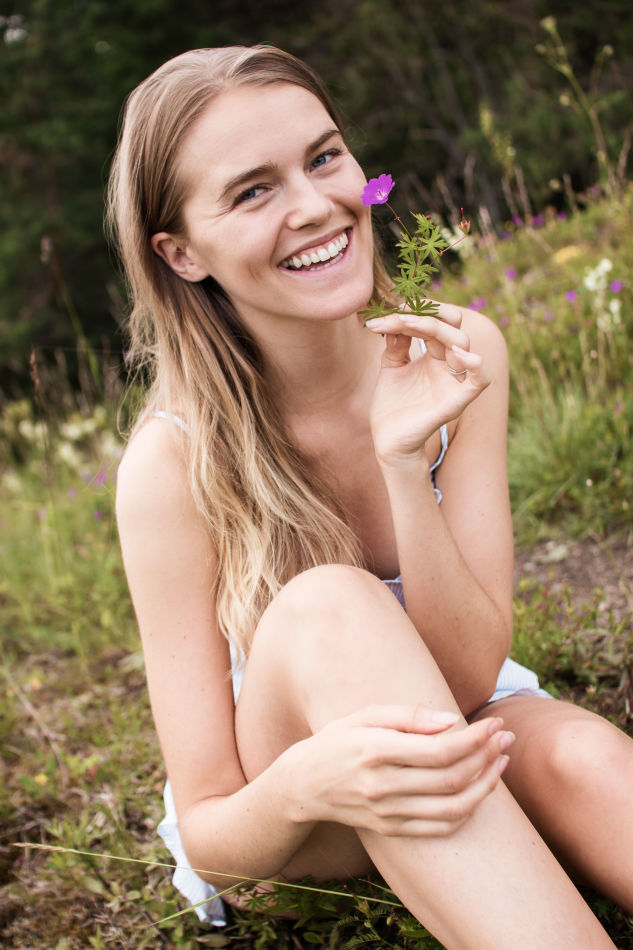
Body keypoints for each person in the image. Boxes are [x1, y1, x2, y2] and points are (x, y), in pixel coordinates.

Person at [109, 44, 632, 949]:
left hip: (456, 722)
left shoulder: (460, 354)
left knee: (585, 759)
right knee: (330, 606)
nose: (316, 205)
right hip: (300, 813)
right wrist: (310, 781)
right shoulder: (171, 464)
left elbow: (467, 682)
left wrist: (402, 463)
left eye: (322, 158)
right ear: (181, 253)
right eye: (253, 191)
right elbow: (214, 837)